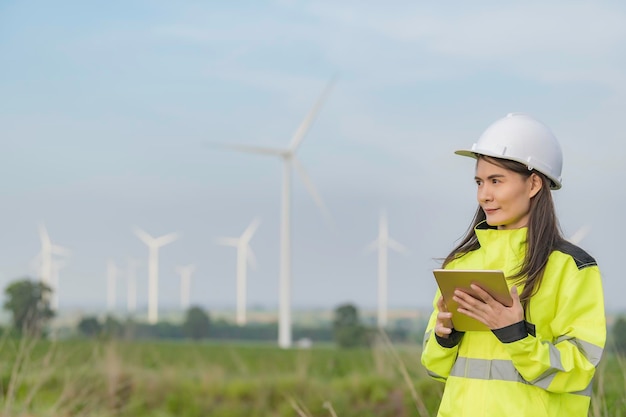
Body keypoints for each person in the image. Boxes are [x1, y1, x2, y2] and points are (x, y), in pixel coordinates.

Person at [420, 113, 606, 417]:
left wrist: (516, 335)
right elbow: (434, 366)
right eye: (479, 182)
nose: (484, 195)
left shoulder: (572, 268)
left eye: (496, 181)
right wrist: (445, 337)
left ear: (533, 184)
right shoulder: (462, 264)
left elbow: (580, 369)